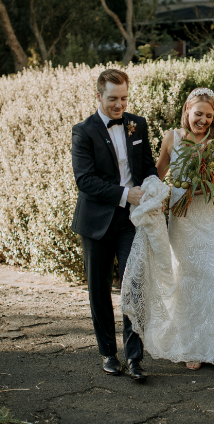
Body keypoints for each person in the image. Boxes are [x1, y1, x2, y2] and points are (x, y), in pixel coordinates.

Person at [71, 68, 158, 380]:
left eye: (123, 98)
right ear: (99, 96)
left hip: (130, 221)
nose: (119, 105)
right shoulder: (83, 131)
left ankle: (135, 358)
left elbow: (147, 166)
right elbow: (85, 181)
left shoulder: (138, 125)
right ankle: (108, 353)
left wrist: (154, 189)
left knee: (133, 286)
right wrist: (125, 194)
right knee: (98, 290)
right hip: (96, 221)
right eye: (112, 99)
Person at [152, 87, 214, 370]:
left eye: (209, 116)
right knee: (187, 278)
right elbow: (159, 171)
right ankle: (191, 348)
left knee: (213, 278)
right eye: (198, 113)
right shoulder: (171, 138)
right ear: (187, 108)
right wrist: (152, 197)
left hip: (212, 215)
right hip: (183, 215)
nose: (203, 120)